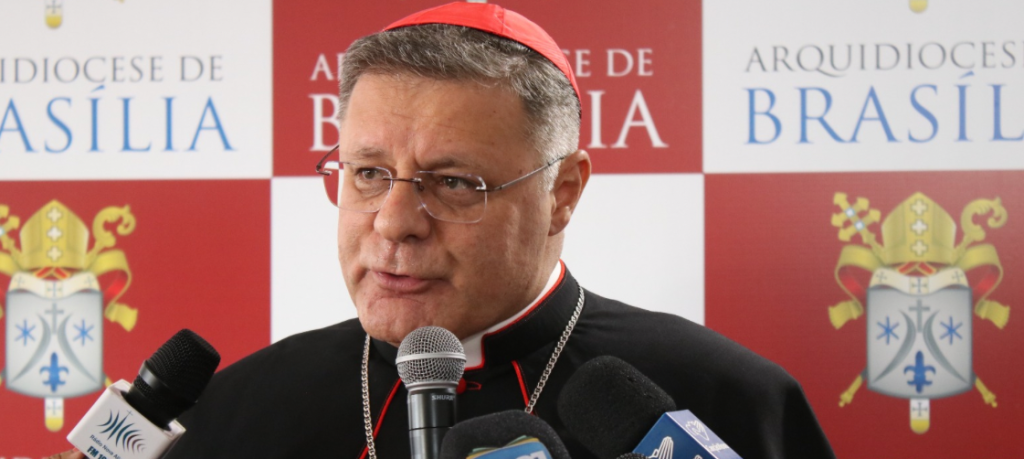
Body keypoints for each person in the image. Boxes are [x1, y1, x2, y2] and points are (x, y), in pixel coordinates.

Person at [51, 3, 835, 458]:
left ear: (562, 193)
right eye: (366, 173)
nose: (393, 223)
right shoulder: (238, 414)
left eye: (453, 182)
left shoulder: (726, 404)